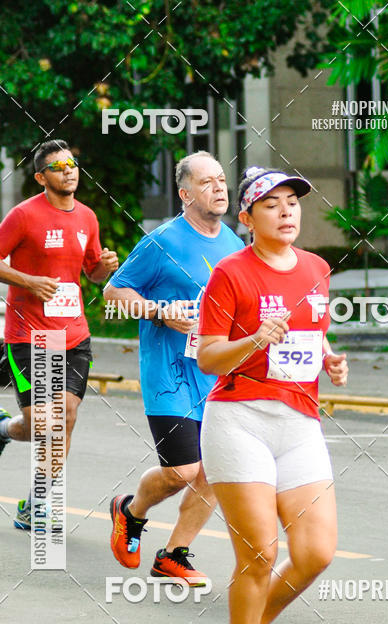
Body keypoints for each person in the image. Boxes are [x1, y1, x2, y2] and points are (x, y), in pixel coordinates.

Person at [197, 166, 348, 624]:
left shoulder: (316, 268)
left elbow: (313, 329)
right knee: (260, 551)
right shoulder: (231, 274)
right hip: (239, 419)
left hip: (299, 422)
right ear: (247, 217)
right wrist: (255, 340)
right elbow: (208, 356)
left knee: (316, 552)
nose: (286, 211)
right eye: (271, 204)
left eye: (293, 202)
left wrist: (328, 357)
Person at [105, 151, 243, 585]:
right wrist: (160, 312)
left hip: (216, 373)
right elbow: (114, 292)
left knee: (216, 468)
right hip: (169, 374)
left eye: (221, 180)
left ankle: (174, 555)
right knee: (181, 472)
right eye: (206, 182)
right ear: (185, 194)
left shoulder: (235, 245)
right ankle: (130, 511)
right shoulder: (162, 241)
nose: (218, 188)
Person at [0, 139, 118, 529]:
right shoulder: (24, 215)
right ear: (41, 177)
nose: (69, 171)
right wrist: (29, 281)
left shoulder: (87, 217)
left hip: (73, 334)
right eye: (58, 167)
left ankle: (37, 502)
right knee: (41, 423)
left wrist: (104, 266)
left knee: (65, 415)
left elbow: (91, 273)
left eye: (72, 164)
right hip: (28, 335)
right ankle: (1, 429)